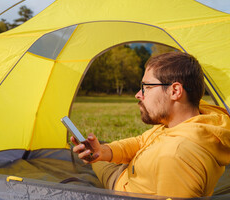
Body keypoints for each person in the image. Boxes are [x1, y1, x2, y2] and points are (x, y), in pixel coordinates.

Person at [72, 51, 230, 198]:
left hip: (124, 184)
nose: (138, 94)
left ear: (175, 91)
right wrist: (104, 151)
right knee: (100, 150)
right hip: (138, 168)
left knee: (98, 164)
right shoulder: (197, 118)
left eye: (147, 87)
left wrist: (100, 158)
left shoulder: (176, 156)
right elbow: (142, 141)